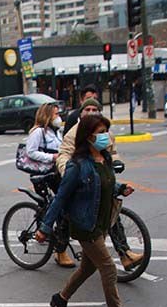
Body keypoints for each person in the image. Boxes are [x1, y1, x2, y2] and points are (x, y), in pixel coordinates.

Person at [36, 114, 140, 307]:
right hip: (85, 226)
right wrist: (45, 228)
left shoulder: (104, 159)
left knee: (87, 268)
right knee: (109, 268)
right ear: (88, 136)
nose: (105, 136)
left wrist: (120, 188)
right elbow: (61, 197)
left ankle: (61, 298)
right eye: (100, 132)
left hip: (101, 224)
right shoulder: (77, 165)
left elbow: (105, 184)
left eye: (106, 131)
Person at [56, 98, 144, 271]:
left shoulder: (104, 134)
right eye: (87, 109)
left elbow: (112, 152)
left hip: (99, 179)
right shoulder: (74, 133)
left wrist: (117, 163)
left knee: (111, 212)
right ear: (81, 113)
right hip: (79, 179)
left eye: (94, 109)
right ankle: (60, 249)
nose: (91, 112)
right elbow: (63, 155)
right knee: (70, 214)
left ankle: (124, 252)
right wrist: (71, 172)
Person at [24, 102, 72, 267]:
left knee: (57, 206)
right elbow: (30, 152)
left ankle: (44, 226)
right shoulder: (38, 132)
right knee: (59, 210)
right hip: (42, 175)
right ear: (46, 116)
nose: (58, 117)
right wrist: (50, 157)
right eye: (55, 114)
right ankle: (59, 250)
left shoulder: (56, 132)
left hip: (55, 173)